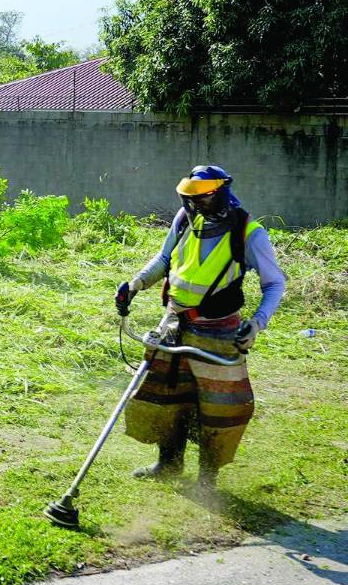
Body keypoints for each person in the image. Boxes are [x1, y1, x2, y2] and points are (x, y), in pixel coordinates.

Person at [117, 165, 285, 494]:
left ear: (219, 192)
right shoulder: (184, 220)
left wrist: (257, 323)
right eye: (190, 197)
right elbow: (164, 259)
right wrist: (135, 283)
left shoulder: (249, 233)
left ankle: (208, 478)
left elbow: (275, 283)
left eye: (202, 197)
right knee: (167, 393)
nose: (195, 204)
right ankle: (169, 463)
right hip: (174, 322)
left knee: (217, 404)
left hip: (219, 330)